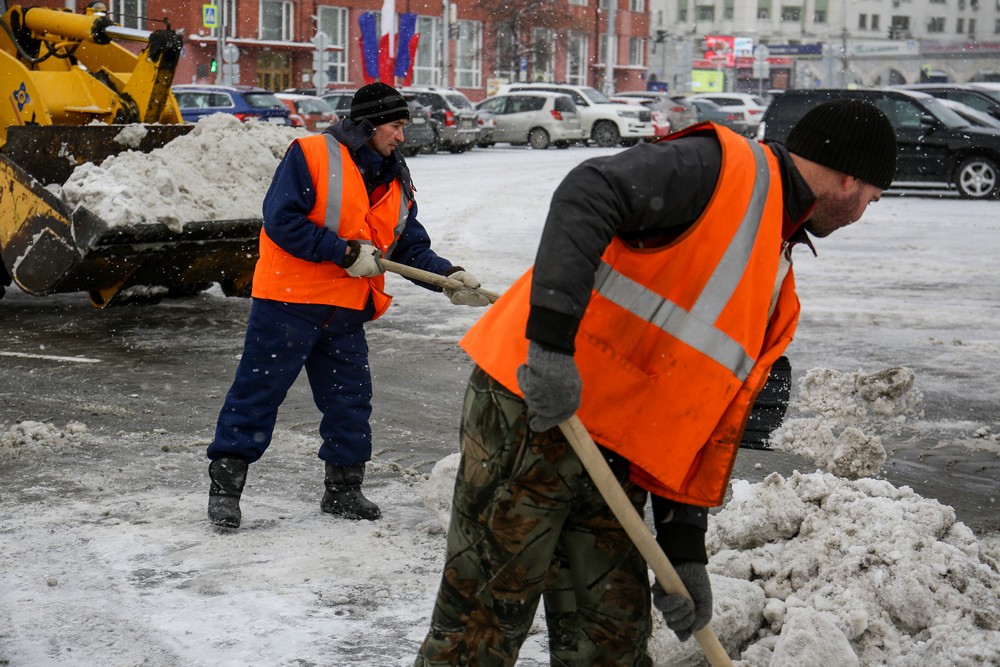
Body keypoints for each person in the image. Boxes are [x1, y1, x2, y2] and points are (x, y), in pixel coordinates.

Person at [414, 99, 897, 665]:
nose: (864, 212)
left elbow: (696, 413)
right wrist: (550, 349)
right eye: (873, 197)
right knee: (479, 631)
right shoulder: (721, 170)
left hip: (613, 454)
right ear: (849, 177)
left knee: (610, 642)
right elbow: (587, 191)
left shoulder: (774, 260)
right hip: (534, 409)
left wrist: (684, 549)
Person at [206, 82, 489, 529]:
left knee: (350, 402)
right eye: (396, 126)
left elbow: (407, 245)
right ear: (370, 124)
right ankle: (225, 489)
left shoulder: (395, 177)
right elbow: (281, 221)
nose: (402, 136)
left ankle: (343, 490)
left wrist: (448, 278)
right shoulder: (311, 154)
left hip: (345, 310)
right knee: (257, 395)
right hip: (289, 302)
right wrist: (343, 252)